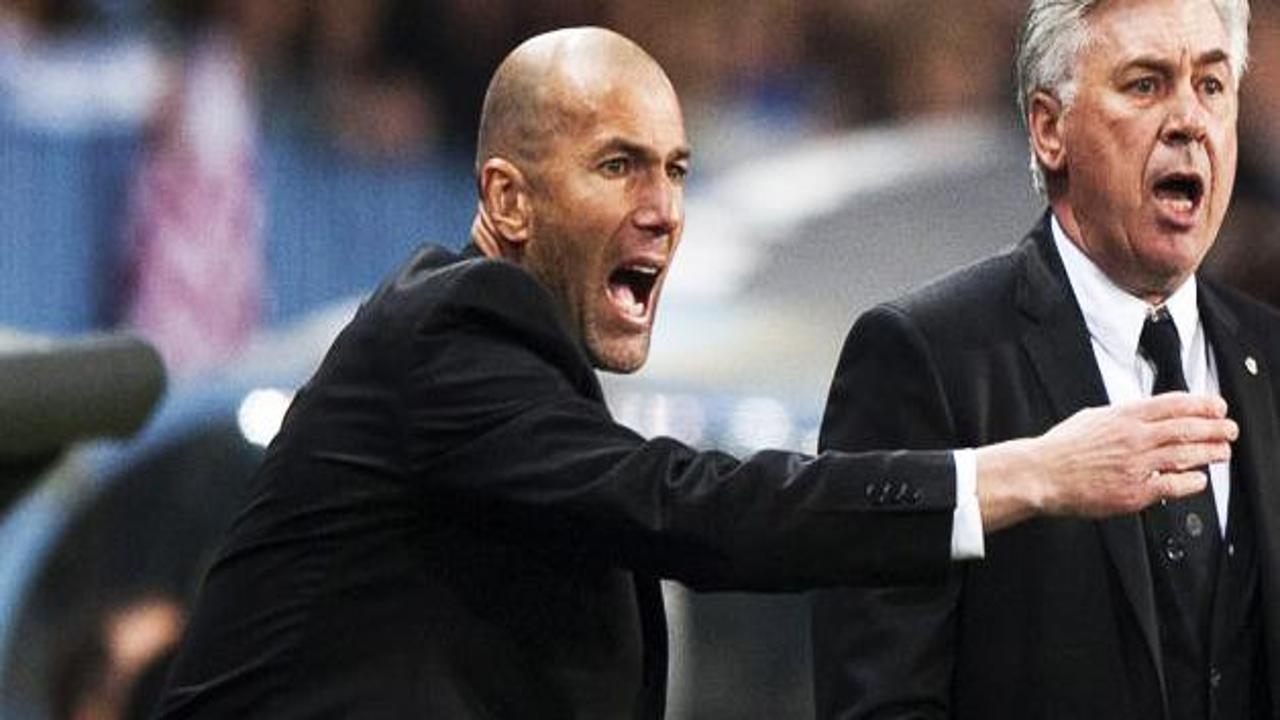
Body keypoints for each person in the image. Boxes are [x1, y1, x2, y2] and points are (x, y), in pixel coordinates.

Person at [154, 27, 1234, 719]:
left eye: (675, 170)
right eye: (617, 165)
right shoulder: (450, 334)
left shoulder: (512, 378)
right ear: (508, 199)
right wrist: (1020, 474)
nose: (663, 209)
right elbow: (692, 507)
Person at [810, 1, 1279, 718]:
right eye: (1146, 84)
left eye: (1212, 86)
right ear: (1049, 129)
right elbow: (881, 699)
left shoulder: (1269, 357)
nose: (1190, 120)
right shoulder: (925, 360)